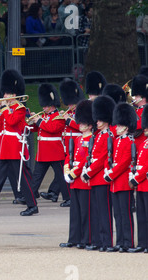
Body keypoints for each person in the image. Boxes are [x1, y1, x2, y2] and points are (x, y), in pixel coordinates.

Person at [0, 69, 39, 217]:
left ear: (14, 95)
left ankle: (32, 205)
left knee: (23, 178)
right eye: (4, 93)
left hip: (15, 148)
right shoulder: (6, 109)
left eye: (7, 94)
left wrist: (3, 108)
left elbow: (11, 121)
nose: (4, 96)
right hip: (3, 148)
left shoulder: (20, 109)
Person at [81, 95, 116, 251]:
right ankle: (98, 240)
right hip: (94, 179)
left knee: (104, 212)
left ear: (106, 119)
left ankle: (106, 241)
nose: (97, 122)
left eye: (100, 120)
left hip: (100, 178)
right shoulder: (97, 135)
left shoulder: (108, 136)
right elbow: (92, 156)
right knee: (96, 211)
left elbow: (102, 158)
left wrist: (89, 172)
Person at [29, 83, 70, 207]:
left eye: (46, 106)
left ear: (52, 105)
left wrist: (39, 121)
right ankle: (29, 196)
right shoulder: (44, 116)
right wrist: (32, 122)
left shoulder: (59, 117)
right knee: (36, 176)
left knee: (62, 176)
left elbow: (52, 128)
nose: (44, 108)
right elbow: (36, 129)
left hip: (54, 151)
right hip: (43, 153)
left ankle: (69, 198)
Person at [60, 99, 94, 249]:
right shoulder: (78, 139)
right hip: (74, 180)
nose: (79, 125)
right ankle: (74, 238)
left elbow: (85, 159)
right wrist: (66, 170)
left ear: (89, 124)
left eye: (82, 123)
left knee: (85, 212)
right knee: (75, 212)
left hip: (83, 180)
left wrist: (73, 173)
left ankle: (86, 239)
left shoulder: (91, 139)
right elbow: (70, 157)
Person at [104, 103, 137, 252]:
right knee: (117, 214)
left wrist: (110, 174)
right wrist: (107, 170)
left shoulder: (130, 142)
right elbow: (109, 157)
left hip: (123, 182)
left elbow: (124, 163)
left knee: (126, 213)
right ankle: (120, 242)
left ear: (125, 127)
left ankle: (128, 242)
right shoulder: (116, 141)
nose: (115, 127)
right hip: (114, 183)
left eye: (118, 126)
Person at [128, 106, 148, 253]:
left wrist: (137, 178)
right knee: (141, 216)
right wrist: (133, 174)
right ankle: (142, 242)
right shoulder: (143, 144)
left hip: (144, 183)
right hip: (141, 184)